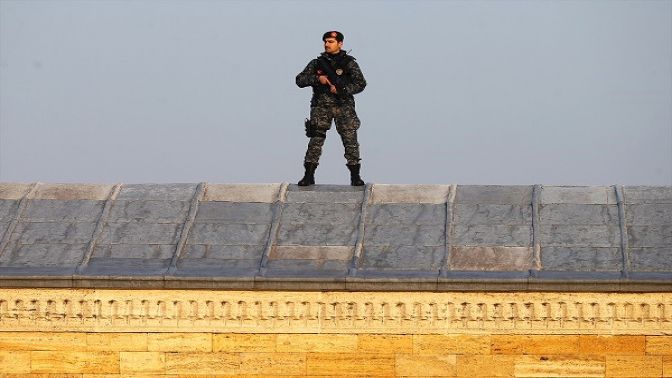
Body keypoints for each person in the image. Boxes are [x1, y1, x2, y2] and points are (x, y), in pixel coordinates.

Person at [296, 31, 367, 186]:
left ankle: (355, 176)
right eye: (325, 42)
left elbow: (361, 83)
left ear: (340, 44)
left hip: (344, 107)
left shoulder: (349, 63)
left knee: (350, 141)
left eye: (330, 42)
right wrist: (317, 78)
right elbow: (300, 80)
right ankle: (308, 176)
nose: (327, 44)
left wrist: (343, 90)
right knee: (316, 140)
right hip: (321, 107)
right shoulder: (317, 63)